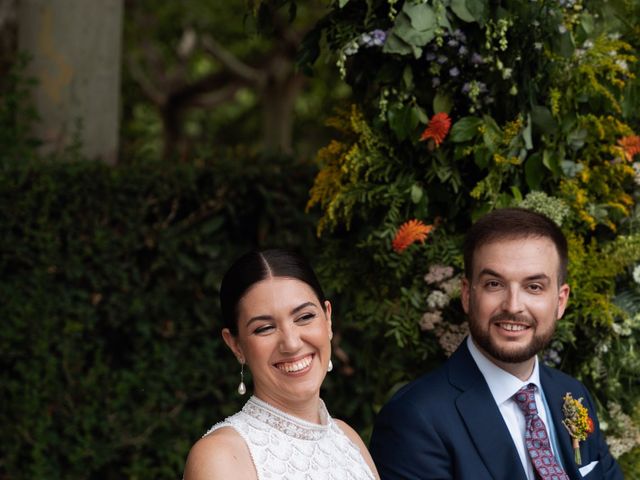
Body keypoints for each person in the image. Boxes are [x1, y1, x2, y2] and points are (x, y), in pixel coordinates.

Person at [369, 208, 623, 480]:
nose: (513, 306)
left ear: (560, 301)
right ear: (467, 294)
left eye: (534, 287)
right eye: (494, 284)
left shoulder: (571, 393)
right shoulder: (415, 419)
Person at [183, 248, 379, 480]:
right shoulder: (221, 456)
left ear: (327, 319)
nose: (292, 343)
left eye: (305, 317)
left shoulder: (348, 438)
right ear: (235, 345)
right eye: (264, 328)